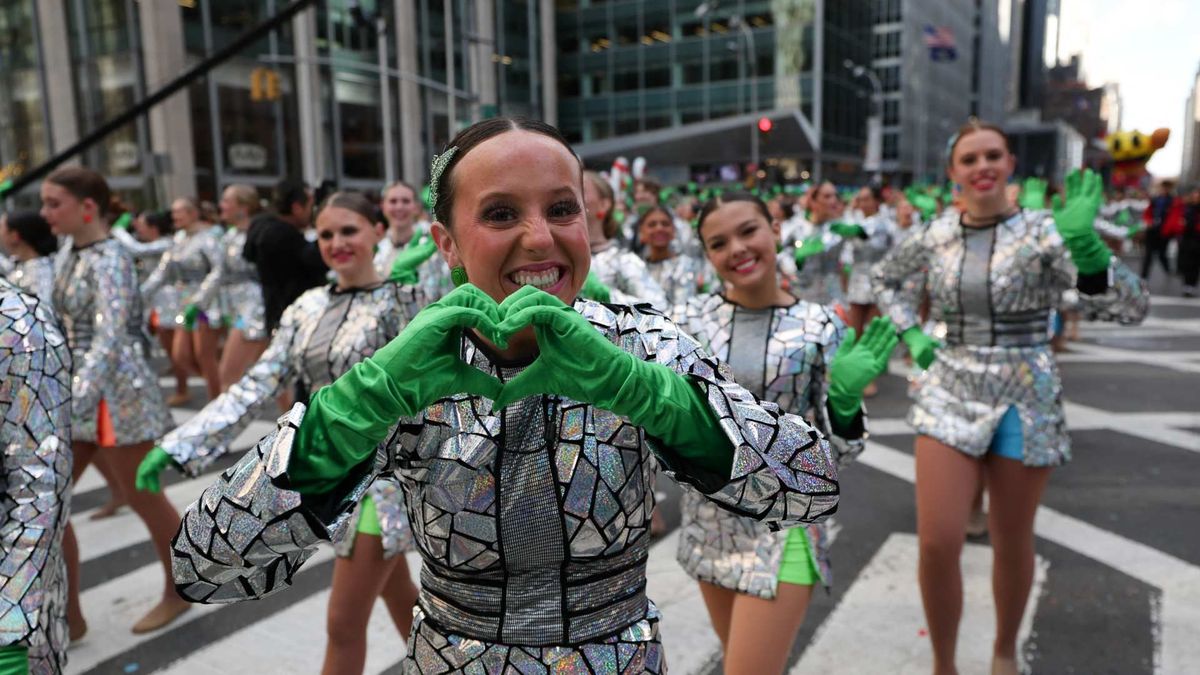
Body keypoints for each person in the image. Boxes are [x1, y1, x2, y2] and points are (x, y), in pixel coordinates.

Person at [169, 117, 840, 673]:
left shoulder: (645, 347)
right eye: (499, 213)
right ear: (447, 244)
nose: (540, 237)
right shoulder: (408, 368)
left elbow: (810, 484)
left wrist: (662, 402)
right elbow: (203, 564)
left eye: (561, 208)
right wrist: (343, 418)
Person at [872, 121, 1149, 675]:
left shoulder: (1046, 232)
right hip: (950, 383)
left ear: (1010, 163)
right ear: (953, 173)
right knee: (937, 541)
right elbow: (884, 279)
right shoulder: (936, 233)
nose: (982, 167)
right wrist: (913, 332)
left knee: (1011, 538)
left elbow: (1129, 309)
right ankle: (943, 662)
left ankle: (1004, 651)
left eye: (992, 155)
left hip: (1025, 389)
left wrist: (1090, 256)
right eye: (969, 158)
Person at [138, 192, 424, 675]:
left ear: (377, 231)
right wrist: (179, 442)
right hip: (324, 479)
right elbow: (255, 382)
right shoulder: (306, 306)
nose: (337, 243)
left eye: (349, 230)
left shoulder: (407, 300)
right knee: (402, 599)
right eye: (326, 234)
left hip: (385, 482)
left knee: (343, 623)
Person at [675, 192, 894, 675]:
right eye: (718, 242)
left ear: (775, 230)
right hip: (708, 523)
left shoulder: (820, 326)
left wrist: (843, 404)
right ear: (707, 255)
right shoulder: (686, 323)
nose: (736, 248)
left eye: (748, 230)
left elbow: (840, 453)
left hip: (787, 523)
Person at [41, 167, 188, 637]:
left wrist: (70, 395)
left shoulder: (113, 258)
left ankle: (180, 591)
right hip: (76, 393)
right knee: (47, 500)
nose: (45, 213)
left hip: (117, 397)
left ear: (88, 207)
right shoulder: (67, 252)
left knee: (147, 499)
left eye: (53, 203)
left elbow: (109, 336)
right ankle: (69, 614)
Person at [0, 278, 72, 675]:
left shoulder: (16, 318)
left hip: (9, 587)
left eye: (54, 207)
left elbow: (42, 486)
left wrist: (10, 619)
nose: (48, 211)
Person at [141, 197, 225, 402]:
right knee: (180, 356)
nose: (175, 216)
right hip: (183, 305)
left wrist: (200, 301)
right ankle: (224, 386)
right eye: (173, 212)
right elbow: (162, 272)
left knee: (204, 356)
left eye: (180, 212)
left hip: (206, 305)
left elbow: (218, 270)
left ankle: (217, 400)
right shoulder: (178, 239)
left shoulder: (208, 238)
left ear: (193, 213)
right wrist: (138, 294)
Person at [193, 184, 269, 390]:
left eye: (227, 201)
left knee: (228, 376)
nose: (221, 206)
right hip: (238, 310)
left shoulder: (260, 234)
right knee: (274, 379)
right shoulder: (229, 237)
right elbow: (219, 273)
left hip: (254, 310)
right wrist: (199, 302)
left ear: (243, 207)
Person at [243, 178, 328, 334]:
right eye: (311, 206)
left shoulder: (262, 228)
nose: (312, 212)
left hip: (273, 312)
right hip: (291, 317)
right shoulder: (283, 236)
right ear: (296, 207)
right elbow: (316, 261)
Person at [582, 170, 669, 308]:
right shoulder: (555, 260)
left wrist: (608, 296)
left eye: (581, 189)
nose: (571, 197)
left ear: (604, 205)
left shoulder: (622, 260)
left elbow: (658, 306)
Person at [638, 204, 705, 306]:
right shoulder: (636, 268)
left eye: (665, 224)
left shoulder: (685, 266)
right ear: (642, 232)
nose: (659, 228)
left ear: (673, 231)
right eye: (652, 225)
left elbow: (683, 307)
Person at [0, 211, 59, 302]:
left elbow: (42, 310)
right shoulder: (21, 263)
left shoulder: (41, 274)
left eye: (1, 228)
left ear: (14, 236)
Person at [1142, 180, 1176, 281]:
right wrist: (1149, 222)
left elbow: (1173, 217)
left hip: (1164, 232)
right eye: (1163, 187)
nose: (1164, 190)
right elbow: (1147, 213)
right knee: (1148, 254)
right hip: (1152, 230)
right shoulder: (1154, 199)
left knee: (1162, 253)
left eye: (1166, 188)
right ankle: (1144, 276)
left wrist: (1167, 229)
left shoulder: (1173, 201)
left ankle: (1168, 270)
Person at [1179, 186, 1200, 297]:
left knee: (1195, 265)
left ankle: (1191, 285)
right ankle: (1187, 285)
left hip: (1197, 239)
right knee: (1188, 264)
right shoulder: (1188, 208)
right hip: (1188, 239)